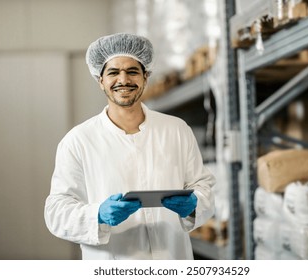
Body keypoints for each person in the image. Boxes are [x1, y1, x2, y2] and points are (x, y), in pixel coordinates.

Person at [44, 33, 215, 260]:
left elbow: (203, 185)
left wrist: (194, 204)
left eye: (132, 71)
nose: (123, 80)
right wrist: (97, 215)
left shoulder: (176, 130)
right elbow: (56, 211)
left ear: (146, 77)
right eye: (113, 72)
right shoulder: (78, 141)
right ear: (100, 80)